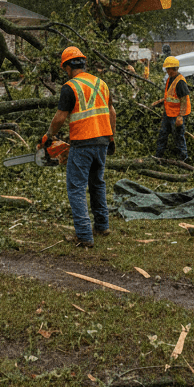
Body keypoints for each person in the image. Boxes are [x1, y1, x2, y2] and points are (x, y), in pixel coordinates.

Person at [47, 46, 117, 248]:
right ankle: (102, 226)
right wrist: (111, 138)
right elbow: (112, 112)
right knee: (97, 183)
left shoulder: (70, 87)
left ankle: (84, 235)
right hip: (102, 140)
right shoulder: (101, 83)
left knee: (76, 188)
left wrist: (49, 136)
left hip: (83, 143)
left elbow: (60, 117)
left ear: (67, 67)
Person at [151, 56, 190, 161]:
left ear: (174, 68)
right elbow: (169, 96)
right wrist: (159, 103)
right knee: (162, 135)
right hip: (168, 114)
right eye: (167, 69)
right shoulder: (170, 79)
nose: (167, 71)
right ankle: (158, 157)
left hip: (176, 115)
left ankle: (183, 159)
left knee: (178, 137)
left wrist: (180, 116)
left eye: (169, 69)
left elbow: (184, 100)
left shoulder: (180, 82)